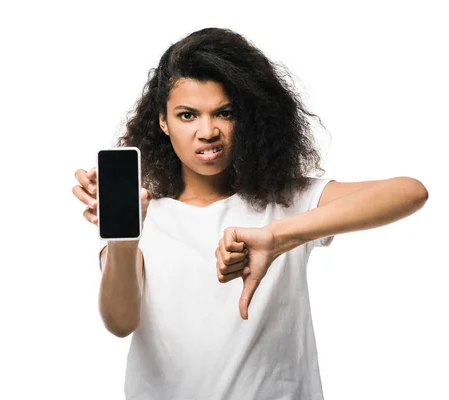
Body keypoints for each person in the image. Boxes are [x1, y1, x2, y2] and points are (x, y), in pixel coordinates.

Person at [72, 28, 428, 400]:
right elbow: (119, 323)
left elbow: (409, 192)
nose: (207, 131)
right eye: (187, 115)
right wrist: (125, 240)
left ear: (248, 117)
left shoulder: (286, 201)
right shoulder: (147, 217)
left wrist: (280, 237)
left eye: (224, 113)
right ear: (163, 121)